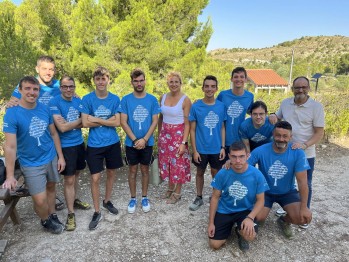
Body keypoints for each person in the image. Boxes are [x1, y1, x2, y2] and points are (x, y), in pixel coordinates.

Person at [2, 76, 65, 234]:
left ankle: (52, 215)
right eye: (28, 88)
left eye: (35, 89)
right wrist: (10, 176)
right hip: (30, 163)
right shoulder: (12, 114)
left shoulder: (44, 109)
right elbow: (9, 146)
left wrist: (61, 156)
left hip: (50, 156)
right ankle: (45, 220)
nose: (32, 92)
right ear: (20, 90)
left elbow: (53, 134)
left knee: (51, 187)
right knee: (39, 199)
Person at [7, 55, 64, 210]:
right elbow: (13, 102)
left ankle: (52, 198)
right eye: (44, 68)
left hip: (52, 130)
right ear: (37, 69)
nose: (48, 72)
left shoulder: (58, 85)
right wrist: (10, 102)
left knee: (56, 172)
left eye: (51, 69)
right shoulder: (29, 84)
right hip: (31, 132)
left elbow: (69, 94)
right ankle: (39, 195)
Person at [269, 76, 325, 229]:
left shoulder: (316, 107)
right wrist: (273, 114)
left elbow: (319, 132)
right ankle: (288, 205)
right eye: (297, 87)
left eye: (303, 87)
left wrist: (305, 145)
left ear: (308, 88)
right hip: (285, 150)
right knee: (287, 180)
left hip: (305, 152)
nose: (300, 90)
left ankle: (303, 210)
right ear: (292, 88)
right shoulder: (286, 103)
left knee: (305, 182)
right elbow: (278, 117)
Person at [248, 121, 312, 238]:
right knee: (258, 216)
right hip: (265, 192)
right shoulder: (261, 150)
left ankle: (284, 220)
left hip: (287, 192)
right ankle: (261, 217)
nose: (281, 139)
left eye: (285, 136)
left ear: (290, 137)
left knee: (303, 218)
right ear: (273, 134)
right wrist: (229, 162)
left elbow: (303, 182)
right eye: (278, 135)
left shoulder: (298, 153)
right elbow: (244, 166)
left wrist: (304, 207)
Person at [81, 66, 123, 230]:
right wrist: (108, 120)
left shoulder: (114, 99)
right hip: (94, 144)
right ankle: (97, 211)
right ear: (94, 81)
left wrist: (95, 118)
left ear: (108, 80)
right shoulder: (87, 99)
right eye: (98, 79)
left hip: (112, 142)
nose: (100, 82)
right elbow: (85, 123)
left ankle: (106, 201)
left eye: (103, 79)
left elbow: (117, 122)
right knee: (95, 178)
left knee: (112, 173)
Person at [208, 141, 269, 252]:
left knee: (250, 236)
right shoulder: (222, 173)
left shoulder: (257, 174)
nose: (238, 161)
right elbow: (215, 197)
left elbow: (261, 200)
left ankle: (239, 231)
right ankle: (229, 226)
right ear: (229, 156)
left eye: (241, 156)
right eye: (234, 157)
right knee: (214, 244)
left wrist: (250, 218)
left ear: (247, 155)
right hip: (225, 210)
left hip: (245, 211)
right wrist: (211, 223)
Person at [49, 75, 91, 231]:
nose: (68, 89)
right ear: (60, 88)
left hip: (79, 143)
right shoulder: (54, 102)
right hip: (66, 146)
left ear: (74, 87)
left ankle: (74, 199)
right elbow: (62, 128)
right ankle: (70, 214)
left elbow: (84, 123)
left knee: (77, 174)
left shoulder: (78, 101)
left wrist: (74, 123)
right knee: (69, 179)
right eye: (65, 86)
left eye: (71, 86)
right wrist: (79, 122)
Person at [119, 69, 160, 214]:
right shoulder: (125, 99)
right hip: (132, 143)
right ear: (132, 82)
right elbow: (123, 122)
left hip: (147, 143)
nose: (139, 83)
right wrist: (136, 139)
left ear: (145, 81)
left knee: (144, 170)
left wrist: (145, 139)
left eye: (141, 80)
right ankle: (132, 198)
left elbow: (155, 121)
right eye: (136, 81)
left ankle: (144, 197)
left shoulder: (152, 99)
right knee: (132, 170)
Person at [188, 75, 226, 211]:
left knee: (216, 173)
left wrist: (222, 147)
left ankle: (216, 196)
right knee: (199, 172)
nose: (209, 89)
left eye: (212, 86)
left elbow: (222, 127)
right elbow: (192, 130)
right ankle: (199, 197)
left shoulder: (221, 106)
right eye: (207, 86)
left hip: (216, 148)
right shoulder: (196, 106)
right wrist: (195, 150)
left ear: (216, 88)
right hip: (201, 149)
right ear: (202, 88)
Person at [158, 72, 192, 204]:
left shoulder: (185, 100)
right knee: (167, 162)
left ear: (180, 83)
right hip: (165, 135)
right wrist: (159, 135)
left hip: (178, 136)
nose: (173, 84)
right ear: (168, 83)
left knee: (178, 164)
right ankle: (170, 188)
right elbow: (161, 117)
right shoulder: (163, 97)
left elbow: (187, 123)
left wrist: (184, 142)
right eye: (171, 82)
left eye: (176, 82)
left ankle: (177, 193)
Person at [217, 67, 254, 157]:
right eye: (236, 77)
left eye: (241, 77)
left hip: (240, 139)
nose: (238, 79)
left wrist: (271, 116)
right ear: (232, 79)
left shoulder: (249, 96)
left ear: (245, 79)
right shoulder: (223, 95)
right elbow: (214, 107)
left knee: (238, 168)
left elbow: (252, 113)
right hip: (223, 140)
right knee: (223, 169)